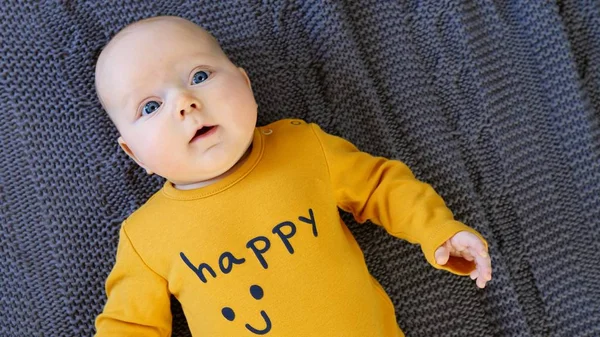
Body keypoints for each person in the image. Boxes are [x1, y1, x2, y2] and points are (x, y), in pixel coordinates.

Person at [94, 15, 492, 337]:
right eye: (149, 107)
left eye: (199, 76)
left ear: (246, 85)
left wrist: (438, 229)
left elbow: (381, 185)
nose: (184, 102)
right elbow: (130, 324)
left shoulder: (304, 148)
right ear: (133, 153)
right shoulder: (145, 236)